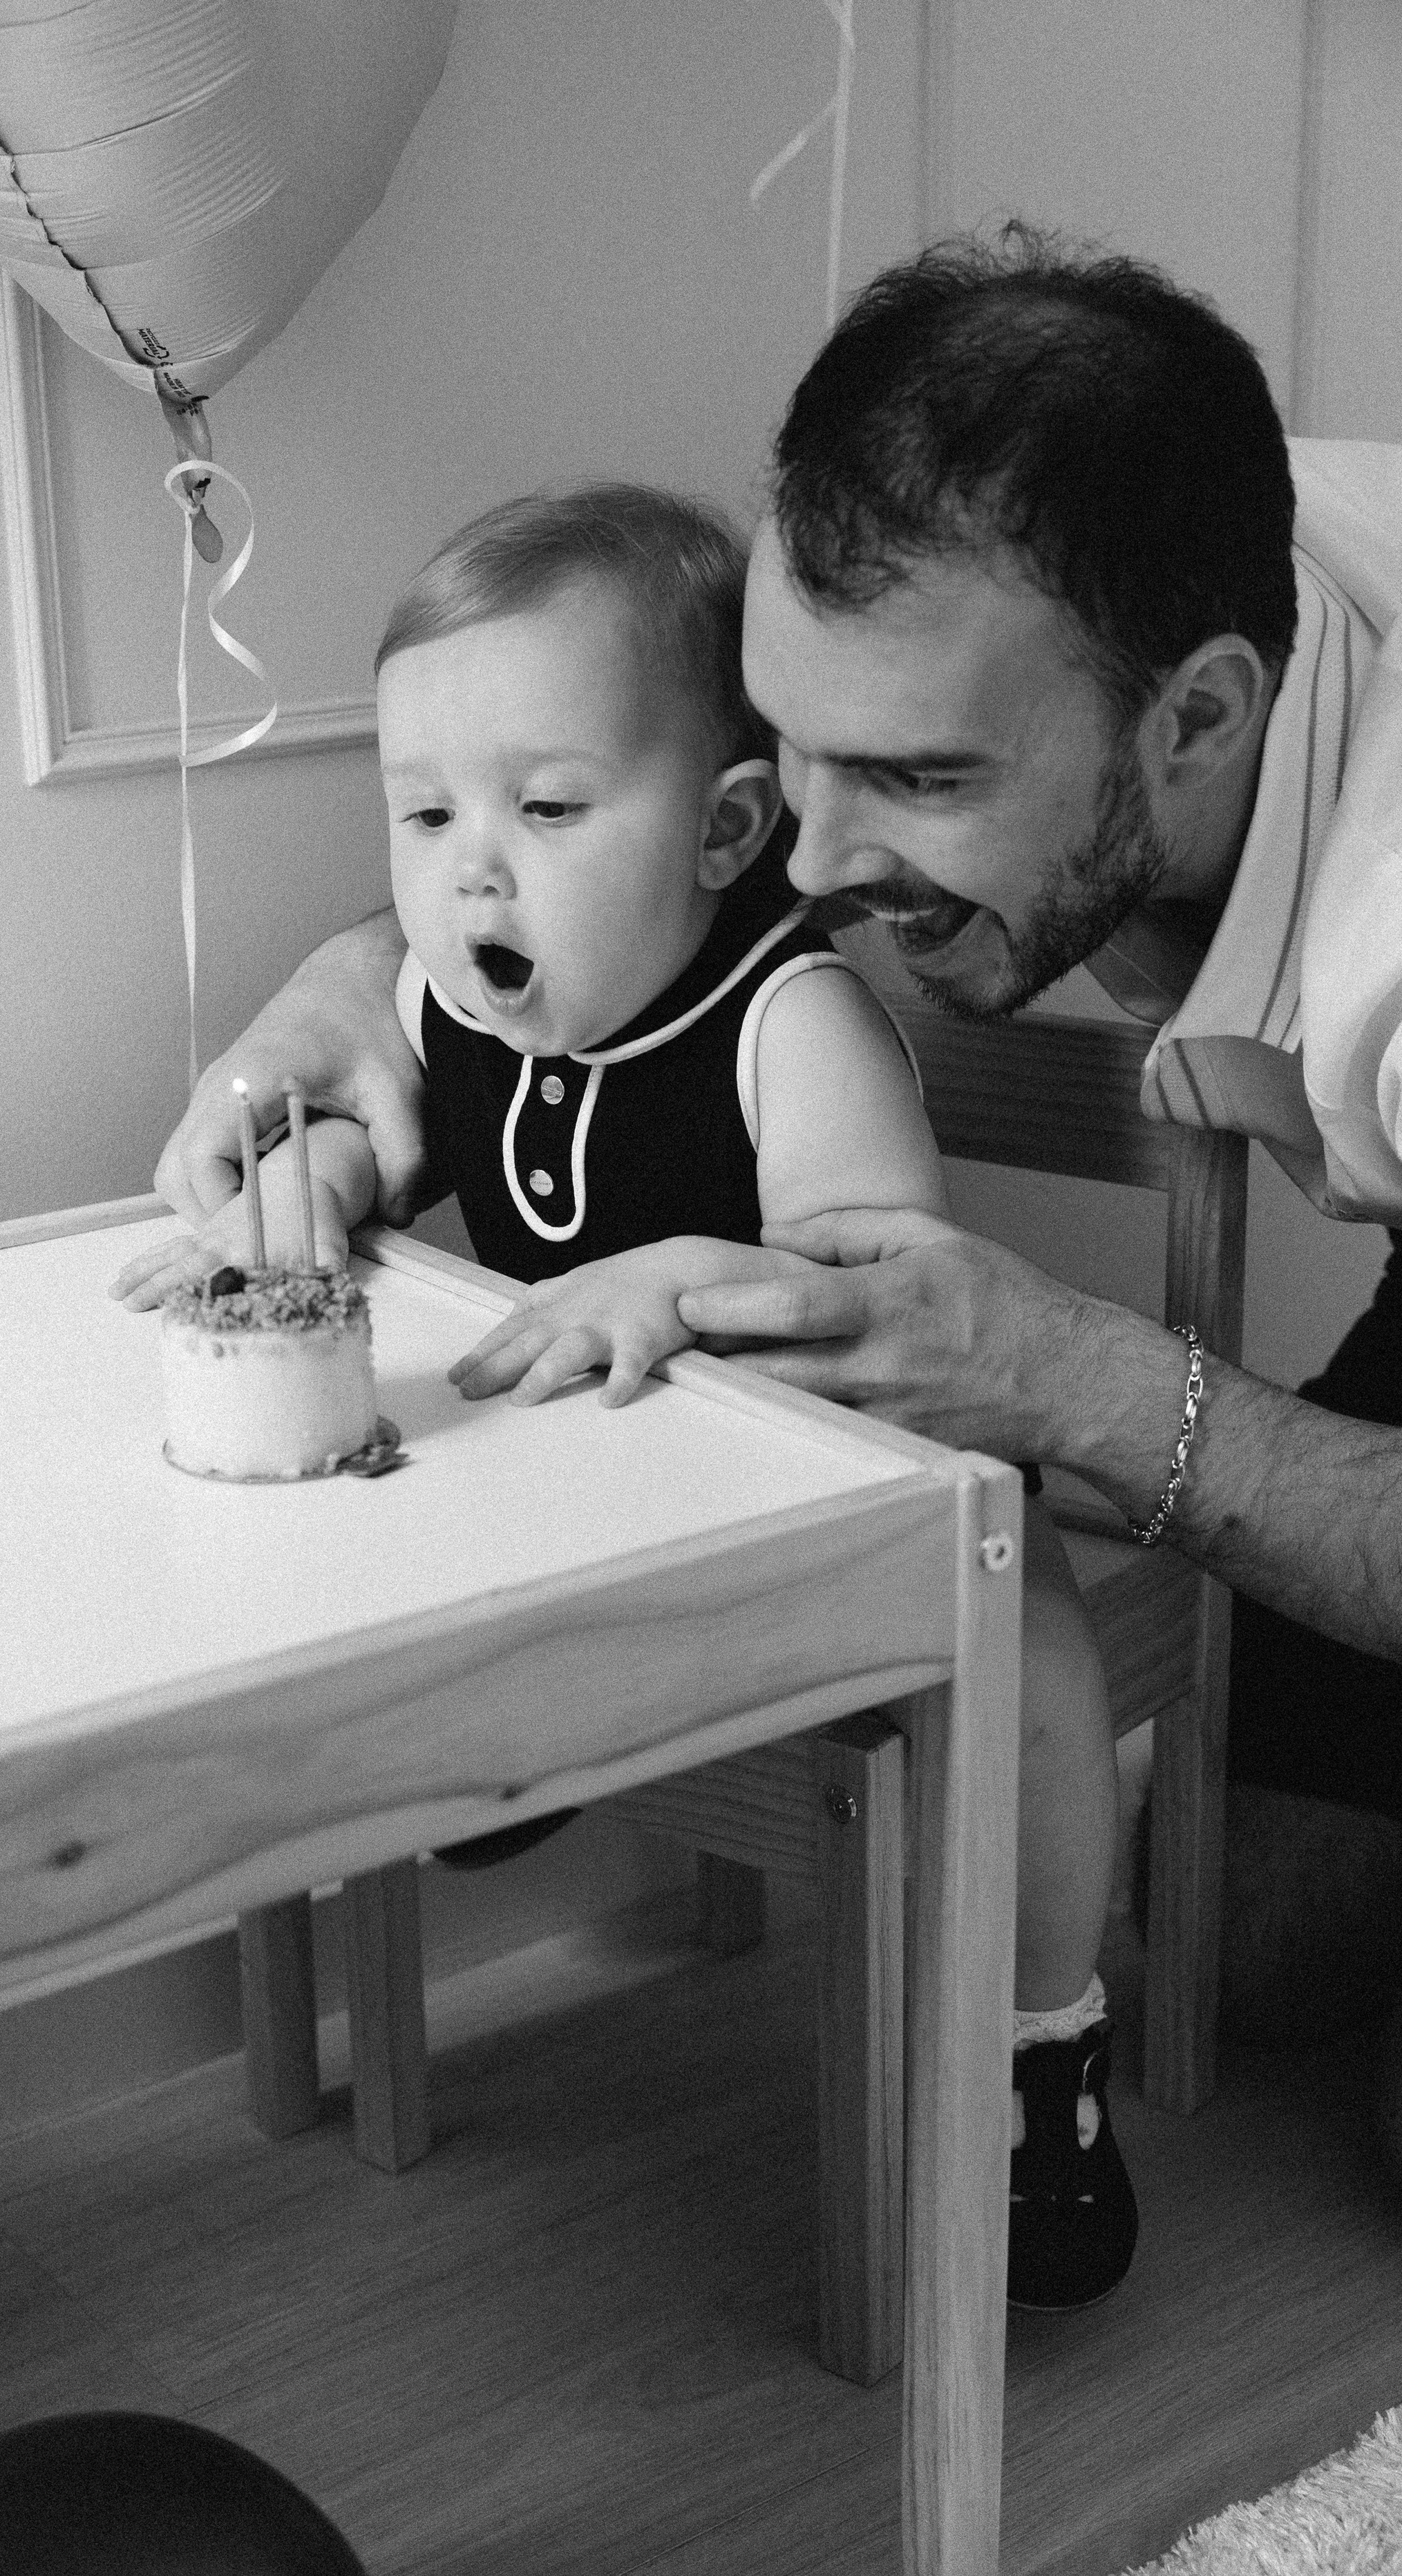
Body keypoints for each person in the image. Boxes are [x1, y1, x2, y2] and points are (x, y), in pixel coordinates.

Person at [115, 478, 1135, 2308]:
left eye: (551, 808)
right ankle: (503, 1753)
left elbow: (892, 1292)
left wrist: (695, 1280)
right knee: (359, 1521)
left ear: (727, 827)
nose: (471, 872)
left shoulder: (785, 1020)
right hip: (597, 1534)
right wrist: (312, 1194)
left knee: (1037, 1634)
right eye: (423, 816)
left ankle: (1040, 2040)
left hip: (848, 1522)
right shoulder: (457, 1010)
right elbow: (364, 1154)